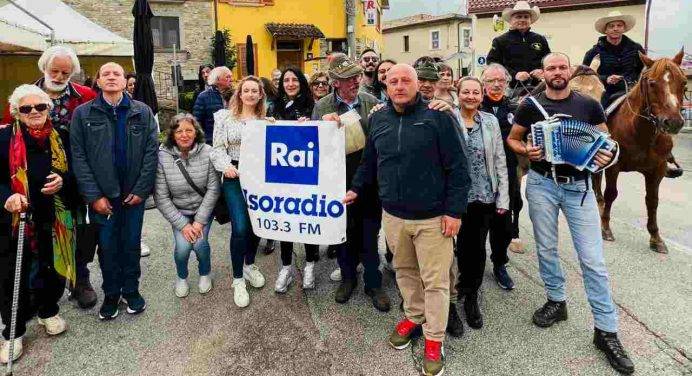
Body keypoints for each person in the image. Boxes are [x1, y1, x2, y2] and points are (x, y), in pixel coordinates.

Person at [507, 52, 634, 375]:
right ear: (544, 74)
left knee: (592, 259)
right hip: (541, 184)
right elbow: (514, 139)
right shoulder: (529, 106)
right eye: (551, 68)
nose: (557, 72)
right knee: (547, 249)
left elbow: (606, 142)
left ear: (569, 72)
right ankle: (556, 300)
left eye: (562, 67)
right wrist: (527, 150)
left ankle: (606, 330)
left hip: (579, 187)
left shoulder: (588, 105)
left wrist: (605, 157)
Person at [345, 63, 470, 376]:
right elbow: (369, 162)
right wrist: (356, 188)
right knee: (404, 271)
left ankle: (434, 338)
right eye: (393, 81)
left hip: (433, 218)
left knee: (436, 281)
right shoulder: (379, 119)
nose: (399, 86)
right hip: (394, 216)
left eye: (406, 80)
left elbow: (458, 168)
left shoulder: (439, 117)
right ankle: (414, 317)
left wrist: (454, 211)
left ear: (418, 85)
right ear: (386, 87)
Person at [1, 46, 100, 310]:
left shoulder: (87, 95)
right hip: (31, 180)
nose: (58, 76)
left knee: (76, 230)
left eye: (65, 72)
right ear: (44, 68)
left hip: (72, 177)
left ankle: (79, 280)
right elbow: (8, 132)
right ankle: (38, 292)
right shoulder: (25, 95)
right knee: (37, 236)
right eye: (54, 70)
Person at [70, 62, 159, 321]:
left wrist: (142, 190)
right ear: (97, 81)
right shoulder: (83, 114)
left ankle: (131, 291)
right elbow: (79, 157)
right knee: (107, 247)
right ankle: (111, 294)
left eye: (116, 73)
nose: (111, 77)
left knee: (130, 245)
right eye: (105, 74)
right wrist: (94, 196)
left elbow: (152, 152)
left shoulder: (142, 112)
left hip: (133, 196)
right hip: (102, 197)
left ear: (124, 80)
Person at [0, 85, 77, 363]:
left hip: (54, 216)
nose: (34, 112)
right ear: (16, 112)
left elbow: (75, 171)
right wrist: (9, 195)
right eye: (26, 108)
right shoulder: (4, 137)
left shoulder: (61, 136)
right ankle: (13, 331)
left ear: (49, 108)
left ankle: (48, 311)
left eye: (40, 107)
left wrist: (63, 181)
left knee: (52, 266)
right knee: (12, 274)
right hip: (15, 218)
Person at [312, 53, 390, 311]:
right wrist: (319, 127)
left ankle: (373, 282)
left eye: (356, 76)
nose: (355, 81)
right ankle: (347, 278)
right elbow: (313, 145)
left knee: (369, 233)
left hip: (369, 181)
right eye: (348, 79)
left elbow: (382, 140)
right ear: (335, 82)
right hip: (338, 182)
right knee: (342, 233)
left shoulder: (371, 102)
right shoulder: (322, 106)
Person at [455, 76, 509, 331]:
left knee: (476, 247)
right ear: (458, 94)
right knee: (453, 247)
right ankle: (452, 291)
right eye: (466, 92)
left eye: (475, 92)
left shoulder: (490, 121)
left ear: (481, 95)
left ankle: (471, 293)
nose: (471, 96)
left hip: (483, 195)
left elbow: (500, 160)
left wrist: (504, 197)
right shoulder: (448, 118)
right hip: (454, 197)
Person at [210, 76, 267, 307]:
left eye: (255, 91)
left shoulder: (265, 121)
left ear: (261, 95)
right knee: (241, 226)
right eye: (247, 90)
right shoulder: (225, 118)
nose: (251, 94)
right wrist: (227, 168)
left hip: (258, 177)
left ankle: (249, 264)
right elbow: (216, 149)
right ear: (240, 94)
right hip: (234, 174)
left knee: (256, 225)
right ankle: (237, 279)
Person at [268, 67, 322, 293]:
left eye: (294, 80)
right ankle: (286, 267)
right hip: (283, 174)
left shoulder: (313, 106)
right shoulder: (275, 106)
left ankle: (310, 265)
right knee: (285, 222)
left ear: (301, 82)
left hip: (308, 173)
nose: (290, 83)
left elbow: (323, 133)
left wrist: (310, 124)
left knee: (307, 220)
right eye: (286, 80)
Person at [155, 113, 220, 298]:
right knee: (182, 249)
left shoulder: (208, 152)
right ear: (172, 135)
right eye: (179, 131)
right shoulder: (163, 156)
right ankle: (182, 276)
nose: (184, 135)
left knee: (200, 244)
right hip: (179, 212)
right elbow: (161, 197)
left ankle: (205, 273)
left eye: (189, 130)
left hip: (202, 211)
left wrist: (199, 221)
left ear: (196, 132)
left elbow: (213, 189)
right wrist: (183, 225)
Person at [481, 63, 523, 282]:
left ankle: (499, 263)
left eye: (501, 81)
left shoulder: (516, 109)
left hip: (507, 174)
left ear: (507, 83)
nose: (496, 85)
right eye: (490, 81)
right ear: (483, 83)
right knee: (476, 224)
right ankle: (472, 266)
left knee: (503, 224)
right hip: (478, 175)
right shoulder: (474, 106)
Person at [582, 11, 644, 109]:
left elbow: (644, 70)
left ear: (624, 28)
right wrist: (606, 79)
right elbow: (585, 76)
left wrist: (630, 80)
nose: (615, 29)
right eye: (611, 26)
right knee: (597, 115)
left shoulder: (636, 48)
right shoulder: (593, 52)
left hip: (633, 91)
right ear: (605, 30)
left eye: (619, 25)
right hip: (604, 93)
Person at [487, 1, 550, 91]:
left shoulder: (540, 39)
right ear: (511, 20)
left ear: (530, 20)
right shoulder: (500, 41)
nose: (522, 20)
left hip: (539, 88)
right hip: (510, 88)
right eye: (518, 17)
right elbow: (492, 63)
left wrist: (542, 71)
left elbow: (548, 61)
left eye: (526, 17)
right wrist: (514, 75)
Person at [193, 66, 233, 145]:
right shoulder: (204, 96)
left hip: (231, 141)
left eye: (231, 77)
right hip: (212, 141)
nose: (231, 79)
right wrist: (203, 140)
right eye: (227, 77)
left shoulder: (236, 95)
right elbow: (197, 121)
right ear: (217, 79)